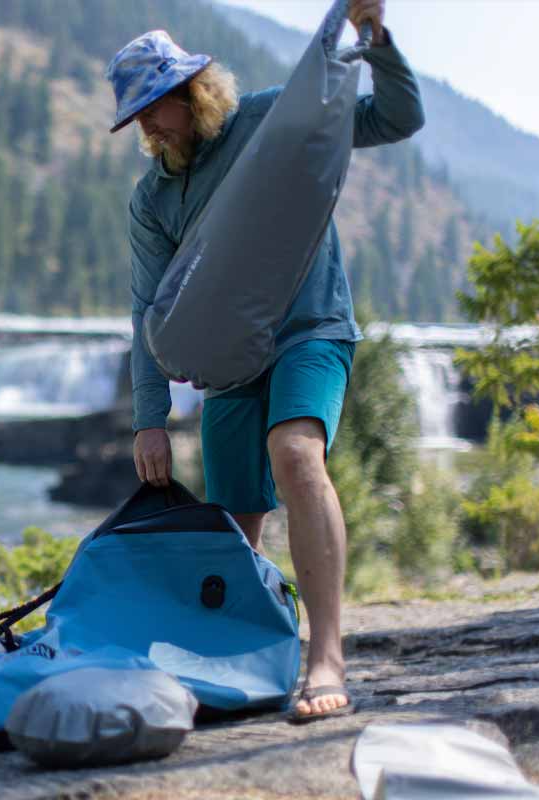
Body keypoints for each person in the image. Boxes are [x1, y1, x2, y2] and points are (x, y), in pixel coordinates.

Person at [105, 0, 424, 723]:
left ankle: (326, 656)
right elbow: (147, 311)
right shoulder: (153, 200)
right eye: (137, 119)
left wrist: (375, 40)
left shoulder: (273, 121)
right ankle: (245, 661)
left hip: (309, 328)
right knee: (234, 521)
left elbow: (397, 120)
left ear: (194, 93)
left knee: (296, 452)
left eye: (156, 108)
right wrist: (150, 420)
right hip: (228, 359)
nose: (148, 129)